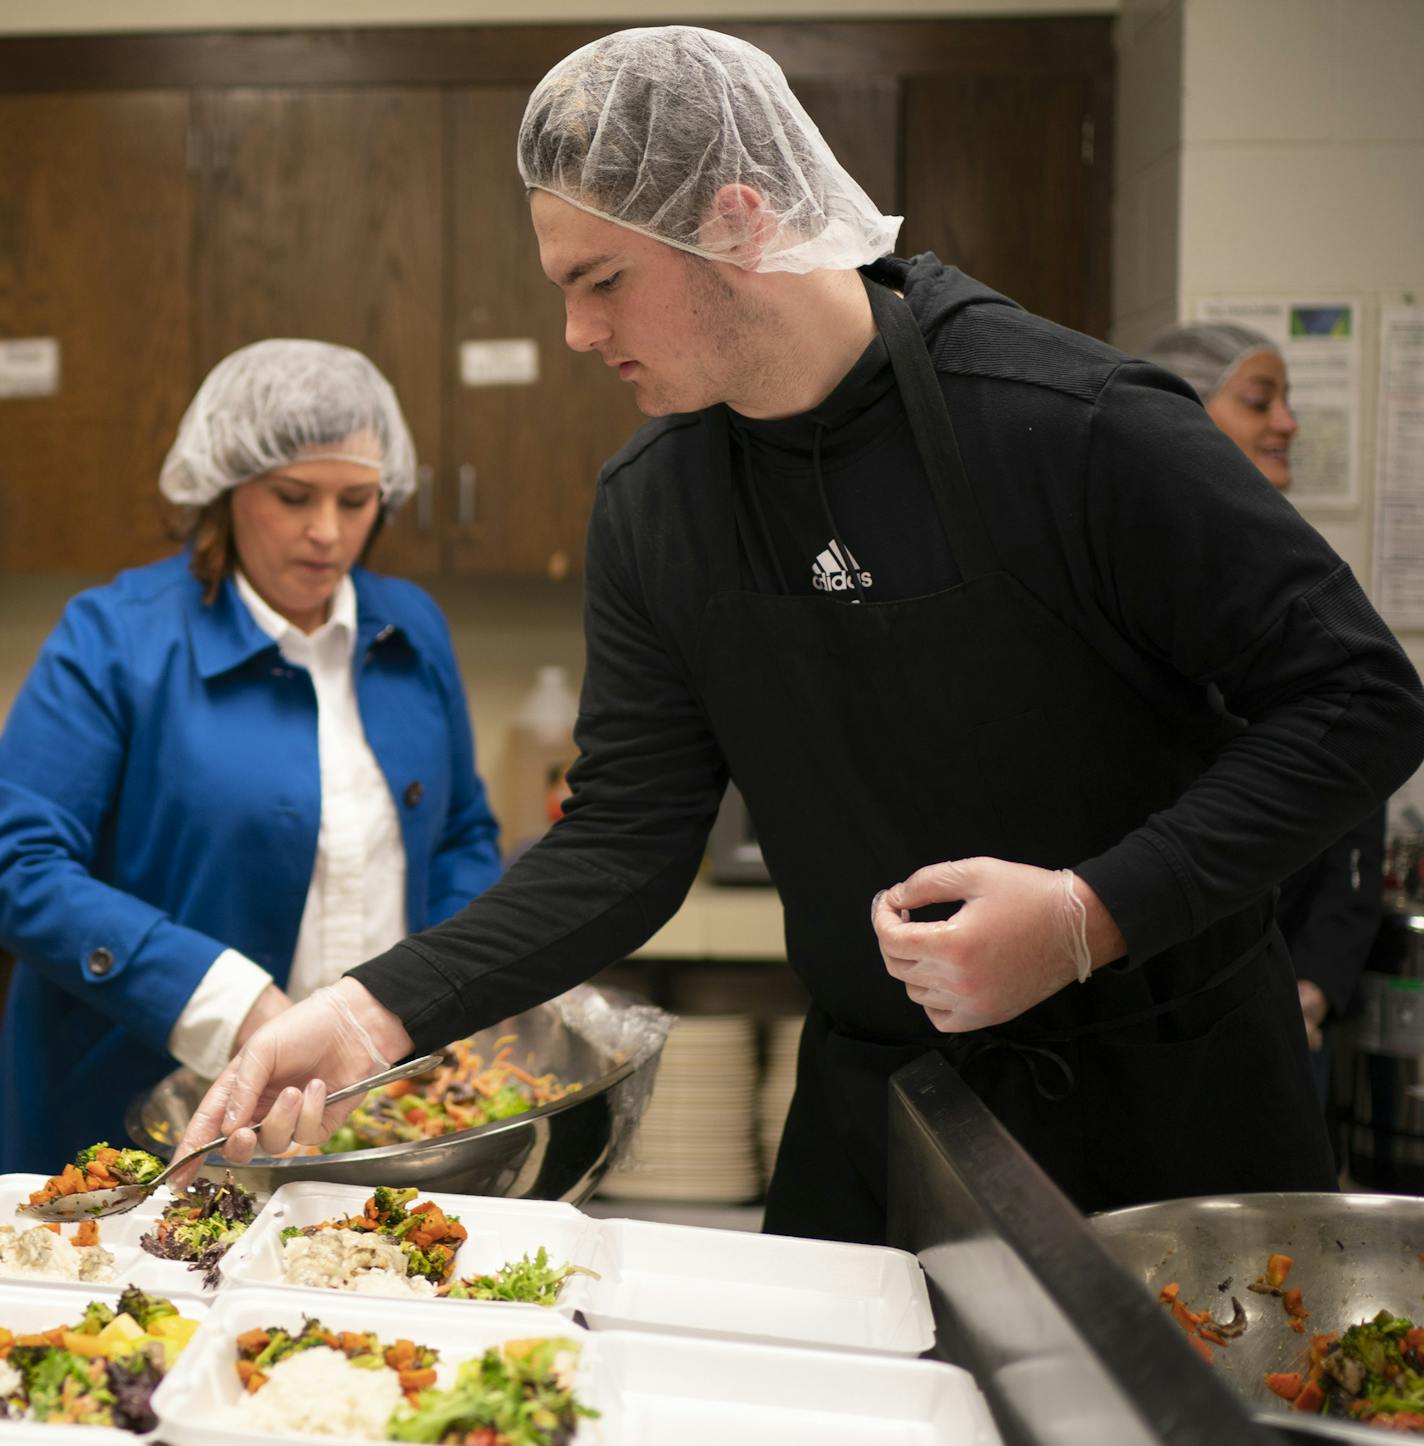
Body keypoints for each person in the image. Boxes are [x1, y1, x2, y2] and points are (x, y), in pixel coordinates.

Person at [177, 27, 1424, 1243]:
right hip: (880, 1113)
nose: (576, 335)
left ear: (734, 218)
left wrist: (1088, 913)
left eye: (601, 282)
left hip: (1174, 1104)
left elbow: (1358, 698)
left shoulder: (1071, 424)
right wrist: (371, 1013)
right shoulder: (654, 502)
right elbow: (625, 838)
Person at [0, 339, 502, 1171]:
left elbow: (463, 837)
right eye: (293, 495)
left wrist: (435, 999)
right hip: (141, 1119)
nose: (327, 532)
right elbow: (19, 864)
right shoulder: (117, 638)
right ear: (227, 484)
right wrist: (236, 1007)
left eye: (357, 499)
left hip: (372, 1117)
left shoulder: (411, 629)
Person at [1142, 321, 1387, 1103]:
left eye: (1287, 400)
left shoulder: (1301, 572)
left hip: (1286, 1002)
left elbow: (1353, 776)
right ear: (1183, 408)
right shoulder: (1135, 568)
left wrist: (1312, 983)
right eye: (1260, 400)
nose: (1287, 422)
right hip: (1157, 1001)